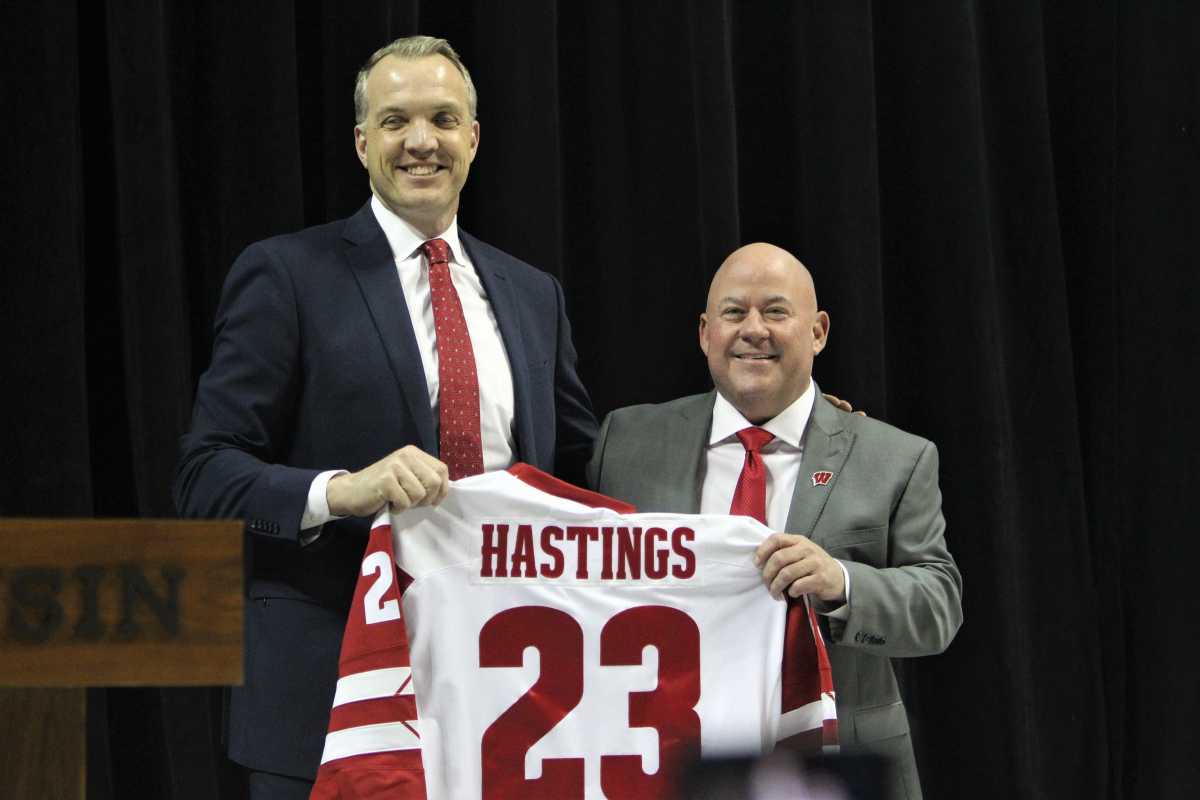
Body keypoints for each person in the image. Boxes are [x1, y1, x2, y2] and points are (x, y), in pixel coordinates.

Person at [173, 35, 597, 798]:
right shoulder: (288, 274)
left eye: (442, 117)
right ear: (364, 143)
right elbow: (206, 472)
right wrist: (343, 490)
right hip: (334, 701)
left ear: (473, 136)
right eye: (397, 121)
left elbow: (583, 463)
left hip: (503, 697)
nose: (421, 141)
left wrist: (777, 428)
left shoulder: (535, 294)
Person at [586, 242, 962, 800]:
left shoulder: (896, 458)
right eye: (734, 312)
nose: (753, 329)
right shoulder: (626, 443)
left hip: (832, 764)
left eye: (776, 311)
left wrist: (842, 583)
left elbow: (938, 606)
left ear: (818, 331)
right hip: (667, 760)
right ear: (704, 332)